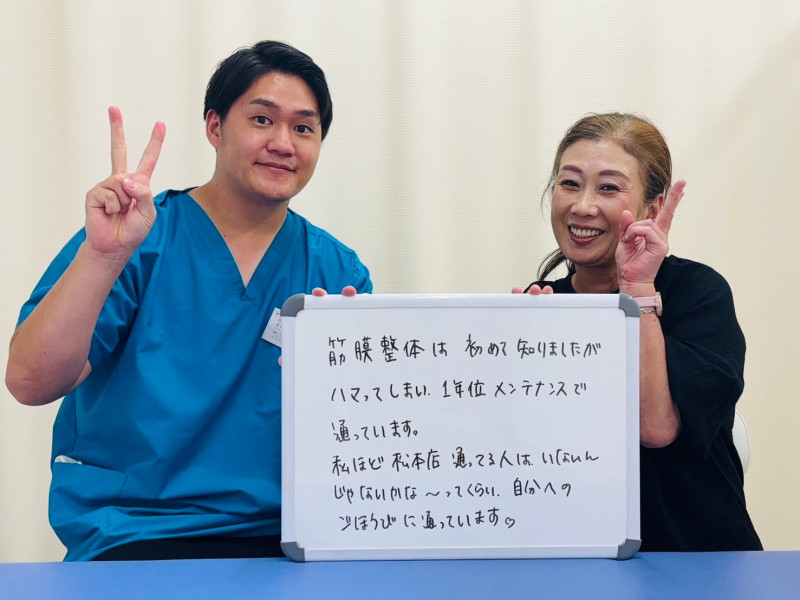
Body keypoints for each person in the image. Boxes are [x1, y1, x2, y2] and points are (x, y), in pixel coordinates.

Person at [5, 41, 372, 561]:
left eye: (303, 128)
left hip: (285, 540)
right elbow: (30, 382)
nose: (283, 143)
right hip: (135, 534)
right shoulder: (138, 239)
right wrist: (103, 257)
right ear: (215, 127)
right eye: (262, 119)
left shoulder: (338, 273)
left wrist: (343, 383)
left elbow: (355, 443)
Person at [516, 112, 761, 552]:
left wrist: (638, 290)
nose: (583, 206)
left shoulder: (698, 292)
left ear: (652, 208)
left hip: (695, 554)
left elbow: (656, 427)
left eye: (609, 188)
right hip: (578, 552)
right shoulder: (541, 305)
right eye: (569, 183)